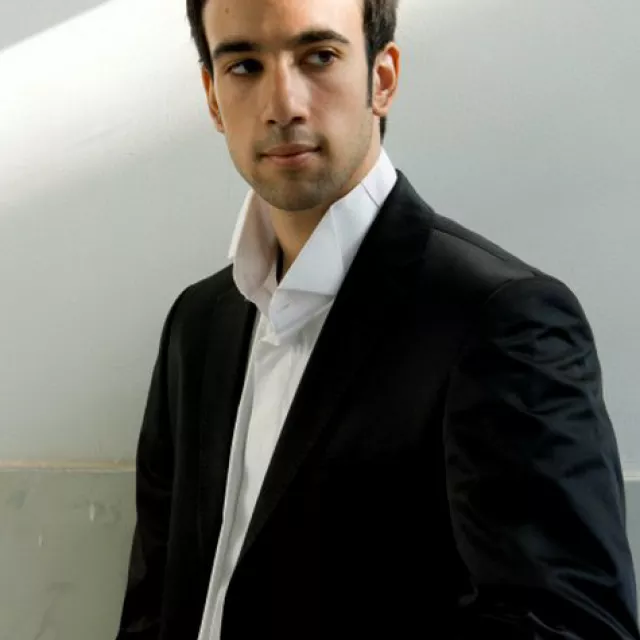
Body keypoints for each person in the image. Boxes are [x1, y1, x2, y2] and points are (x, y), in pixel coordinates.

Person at [115, 0, 640, 638]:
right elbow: (153, 606)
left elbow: (569, 627)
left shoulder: (503, 319)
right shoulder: (197, 324)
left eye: (319, 57)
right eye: (245, 65)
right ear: (213, 97)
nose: (283, 104)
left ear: (382, 78)